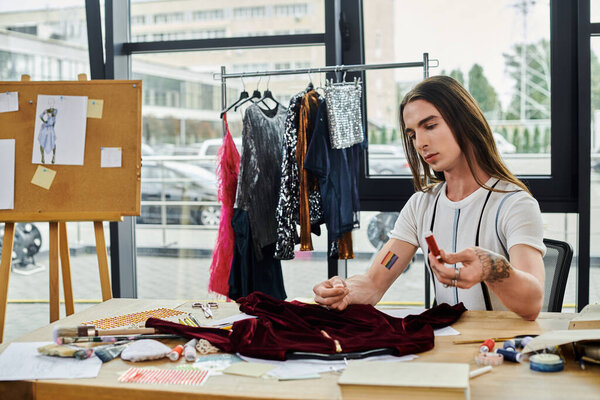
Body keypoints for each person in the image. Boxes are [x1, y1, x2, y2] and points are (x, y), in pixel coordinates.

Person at [313, 75, 545, 321]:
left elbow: (532, 303)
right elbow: (373, 283)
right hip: (448, 347)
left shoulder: (515, 204)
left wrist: (492, 268)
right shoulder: (420, 206)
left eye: (430, 126)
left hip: (502, 350)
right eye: (412, 135)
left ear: (464, 122)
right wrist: (344, 291)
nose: (421, 143)